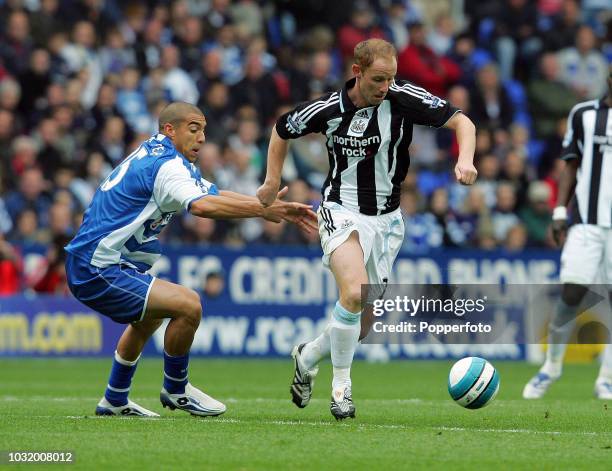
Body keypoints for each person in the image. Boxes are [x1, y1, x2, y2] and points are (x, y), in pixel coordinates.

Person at [257, 39, 477, 420]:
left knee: (362, 325)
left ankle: (307, 355)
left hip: (388, 221)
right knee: (354, 293)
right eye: (378, 79)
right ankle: (341, 390)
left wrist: (466, 161)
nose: (385, 87)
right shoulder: (326, 108)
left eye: (390, 78)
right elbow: (281, 130)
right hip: (341, 209)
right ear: (356, 72)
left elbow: (462, 121)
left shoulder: (403, 98)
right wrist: (271, 180)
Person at [65, 102, 317, 417]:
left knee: (150, 317)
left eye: (204, 131)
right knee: (188, 304)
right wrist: (261, 210)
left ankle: (115, 399)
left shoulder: (160, 156)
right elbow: (202, 206)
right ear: (169, 130)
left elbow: (213, 193)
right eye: (193, 129)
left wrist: (265, 207)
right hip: (98, 267)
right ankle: (176, 388)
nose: (201, 138)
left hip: (99, 262)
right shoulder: (168, 166)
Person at [523, 70, 612, 400]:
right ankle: (551, 366)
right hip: (586, 223)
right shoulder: (584, 114)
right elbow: (570, 165)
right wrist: (560, 211)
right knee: (571, 292)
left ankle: (606, 377)